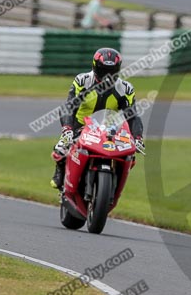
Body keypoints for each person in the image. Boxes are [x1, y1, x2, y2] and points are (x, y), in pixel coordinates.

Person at [50, 48, 145, 190]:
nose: (107, 76)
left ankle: (114, 184)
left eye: (111, 71)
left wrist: (137, 137)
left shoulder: (125, 89)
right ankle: (60, 171)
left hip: (110, 129)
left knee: (130, 156)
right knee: (61, 148)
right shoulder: (83, 81)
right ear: (95, 67)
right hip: (81, 126)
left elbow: (132, 116)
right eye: (103, 70)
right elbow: (68, 107)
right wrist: (68, 129)